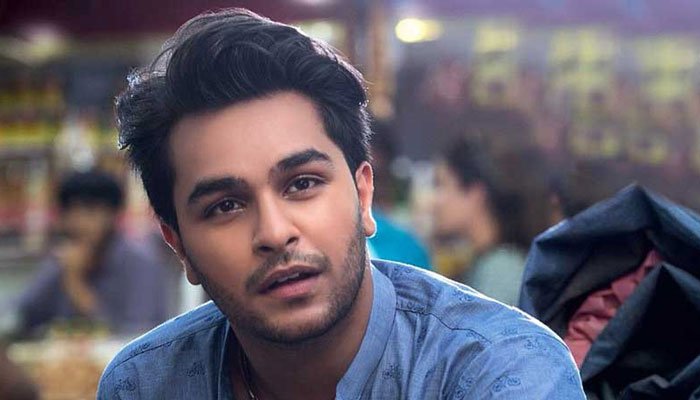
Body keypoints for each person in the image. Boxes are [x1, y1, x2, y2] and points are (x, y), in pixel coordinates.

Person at [97, 8, 585, 399]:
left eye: (302, 184)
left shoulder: (497, 370)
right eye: (225, 206)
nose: (275, 233)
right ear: (179, 245)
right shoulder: (144, 384)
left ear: (364, 194)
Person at [15, 170, 169, 337]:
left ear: (114, 214)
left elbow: (140, 336)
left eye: (90, 211)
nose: (78, 221)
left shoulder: (140, 262)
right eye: (70, 211)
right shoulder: (63, 258)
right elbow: (22, 314)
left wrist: (76, 285)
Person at [432, 139, 549, 306]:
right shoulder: (494, 263)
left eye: (441, 185)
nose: (433, 201)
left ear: (475, 193)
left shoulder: (499, 270)